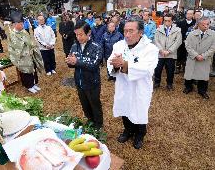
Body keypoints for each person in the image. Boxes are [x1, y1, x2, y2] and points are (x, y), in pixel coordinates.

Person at [107, 17, 159, 149]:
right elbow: (110, 61)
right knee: (125, 107)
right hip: (123, 85)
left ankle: (140, 134)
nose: (127, 35)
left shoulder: (150, 49)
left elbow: (147, 69)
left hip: (140, 87)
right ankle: (128, 130)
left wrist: (124, 64)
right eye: (125, 31)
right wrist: (115, 65)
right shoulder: (119, 45)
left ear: (141, 32)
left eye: (131, 31)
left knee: (139, 110)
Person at [65, 21, 103, 129]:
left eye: (80, 34)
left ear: (89, 32)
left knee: (95, 105)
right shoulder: (74, 46)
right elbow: (72, 65)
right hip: (80, 82)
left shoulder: (96, 47)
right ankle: (90, 122)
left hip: (92, 83)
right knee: (85, 105)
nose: (78, 37)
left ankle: (98, 125)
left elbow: (94, 65)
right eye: (76, 34)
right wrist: (69, 62)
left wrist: (76, 62)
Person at [9, 17, 44, 94]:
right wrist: (23, 52)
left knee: (33, 69)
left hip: (30, 55)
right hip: (22, 57)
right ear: (15, 25)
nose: (22, 26)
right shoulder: (12, 34)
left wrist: (33, 47)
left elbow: (30, 41)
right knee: (26, 72)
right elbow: (13, 47)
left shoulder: (24, 31)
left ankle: (34, 83)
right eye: (20, 24)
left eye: (22, 24)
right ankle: (29, 86)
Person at [183, 17, 215, 99]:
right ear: (198, 24)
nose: (206, 26)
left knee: (203, 75)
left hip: (205, 59)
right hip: (193, 58)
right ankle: (188, 87)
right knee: (189, 73)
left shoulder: (213, 34)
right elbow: (187, 45)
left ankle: (202, 91)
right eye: (203, 24)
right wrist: (196, 55)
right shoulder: (191, 33)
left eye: (207, 24)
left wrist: (203, 56)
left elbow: (213, 48)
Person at [154, 14, 182, 90]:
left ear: (172, 21)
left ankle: (169, 84)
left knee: (170, 70)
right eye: (165, 20)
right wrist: (161, 50)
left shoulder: (177, 30)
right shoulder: (158, 29)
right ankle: (157, 82)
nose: (167, 22)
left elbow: (178, 42)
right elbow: (156, 40)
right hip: (160, 54)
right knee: (158, 69)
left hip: (171, 54)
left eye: (169, 21)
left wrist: (169, 51)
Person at [176, 9, 196, 73]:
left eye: (191, 14)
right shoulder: (180, 22)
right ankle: (177, 67)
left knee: (188, 55)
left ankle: (185, 67)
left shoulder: (195, 23)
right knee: (180, 54)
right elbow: (177, 33)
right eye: (187, 14)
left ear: (193, 15)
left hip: (192, 43)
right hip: (181, 41)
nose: (189, 15)